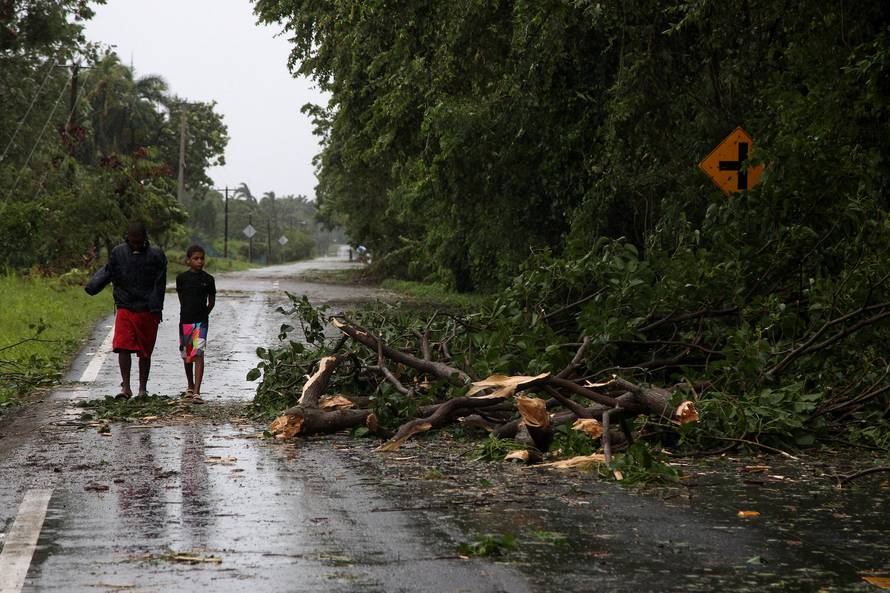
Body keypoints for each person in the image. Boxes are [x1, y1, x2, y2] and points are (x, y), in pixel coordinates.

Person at [85, 221, 167, 397]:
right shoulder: (118, 252)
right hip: (125, 306)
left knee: (145, 350)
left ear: (145, 238)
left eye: (139, 241)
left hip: (147, 309)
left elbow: (159, 285)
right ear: (128, 238)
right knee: (123, 346)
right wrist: (93, 286)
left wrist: (156, 308)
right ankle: (126, 387)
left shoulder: (157, 255)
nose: (135, 245)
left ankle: (142, 389)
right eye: (132, 241)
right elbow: (109, 272)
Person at [175, 245, 216, 401]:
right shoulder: (181, 278)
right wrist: (187, 312)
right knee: (187, 355)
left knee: (199, 354)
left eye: (202, 258)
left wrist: (203, 315)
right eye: (196, 258)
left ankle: (197, 391)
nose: (200, 261)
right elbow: (182, 299)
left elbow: (211, 302)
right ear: (188, 261)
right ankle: (190, 386)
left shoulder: (208, 279)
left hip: (201, 322)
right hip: (185, 320)